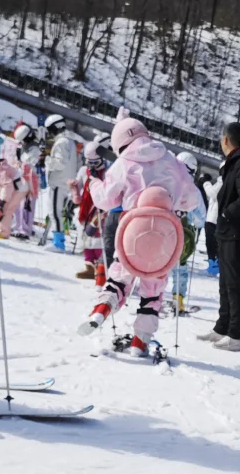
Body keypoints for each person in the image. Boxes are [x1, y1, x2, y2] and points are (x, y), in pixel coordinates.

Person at [77, 109, 199, 355]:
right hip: (166, 238)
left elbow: (106, 200)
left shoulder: (124, 163)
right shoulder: (173, 161)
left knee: (119, 278)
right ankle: (139, 342)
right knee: (152, 291)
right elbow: (192, 200)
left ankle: (101, 311)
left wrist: (94, 183)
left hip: (132, 234)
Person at [196, 120, 240, 352]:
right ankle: (221, 327)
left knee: (235, 284)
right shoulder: (236, 163)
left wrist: (227, 212)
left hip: (237, 231)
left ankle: (235, 335)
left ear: (226, 139)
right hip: (228, 230)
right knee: (225, 283)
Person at [171, 151, 206, 313]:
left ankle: (151, 297)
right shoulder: (194, 191)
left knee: (159, 264)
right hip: (182, 234)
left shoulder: (166, 181)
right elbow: (200, 219)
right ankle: (178, 300)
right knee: (180, 268)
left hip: (163, 230)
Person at [73, 134, 112, 277]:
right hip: (86, 208)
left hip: (100, 209)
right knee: (86, 237)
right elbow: (79, 190)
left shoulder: (108, 173)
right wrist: (74, 191)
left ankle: (100, 267)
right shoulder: (84, 171)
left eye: (96, 163)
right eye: (90, 163)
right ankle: (89, 266)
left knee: (98, 238)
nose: (92, 167)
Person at [42, 113, 79, 251]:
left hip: (59, 182)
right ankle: (59, 240)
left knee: (54, 212)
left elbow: (60, 163)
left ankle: (59, 243)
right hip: (66, 182)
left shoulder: (61, 143)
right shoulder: (70, 141)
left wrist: (47, 160)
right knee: (58, 212)